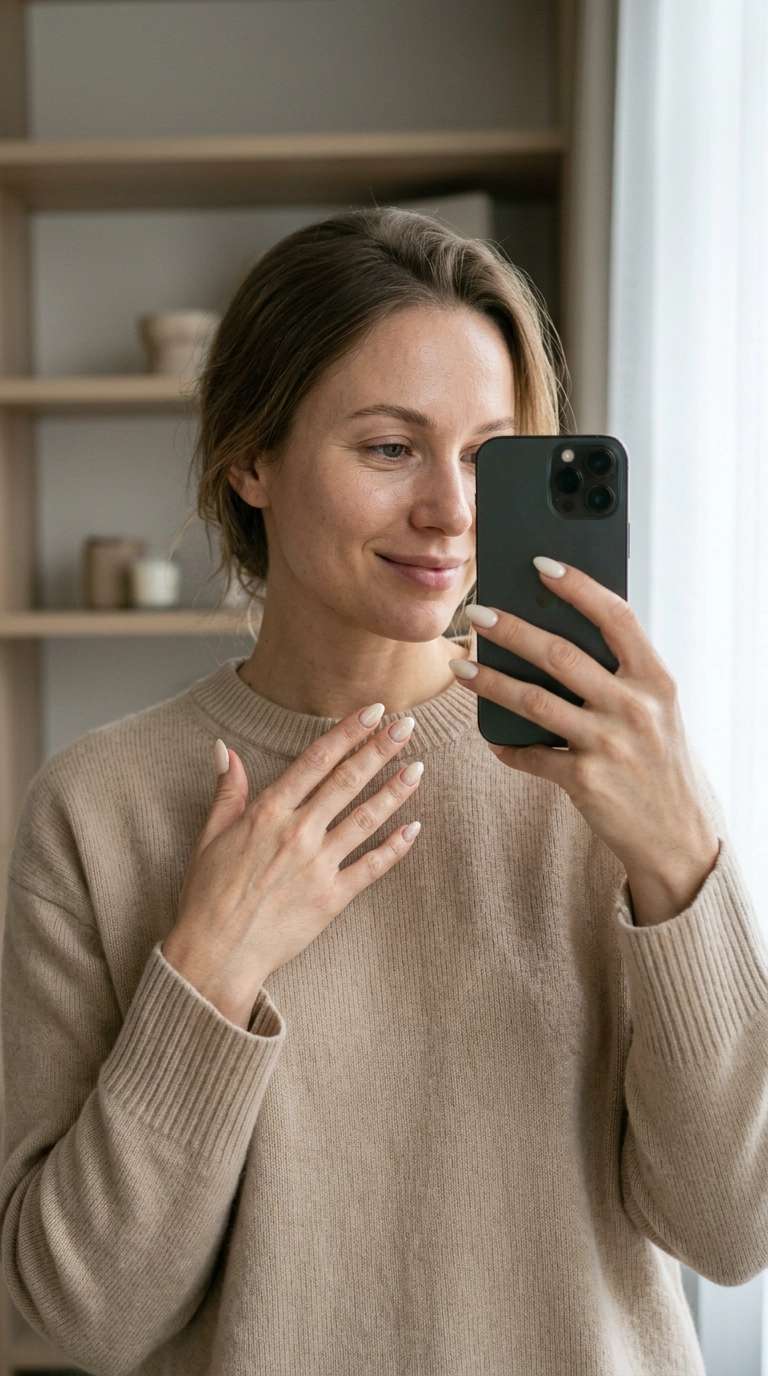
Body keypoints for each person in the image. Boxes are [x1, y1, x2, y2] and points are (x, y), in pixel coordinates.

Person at [2, 208, 766, 1376]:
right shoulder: (99, 807)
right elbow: (68, 1320)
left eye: (486, 454)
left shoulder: (610, 769)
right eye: (389, 447)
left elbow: (733, 1228)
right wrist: (206, 970)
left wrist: (682, 867)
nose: (452, 512)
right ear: (248, 458)